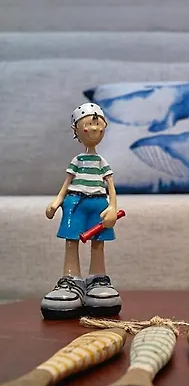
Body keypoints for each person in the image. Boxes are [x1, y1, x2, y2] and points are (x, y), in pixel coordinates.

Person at [41, 103, 121, 319]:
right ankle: (71, 279)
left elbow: (111, 187)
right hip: (75, 202)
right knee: (71, 240)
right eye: (88, 125)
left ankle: (97, 278)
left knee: (98, 241)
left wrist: (112, 208)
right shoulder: (77, 161)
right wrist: (57, 202)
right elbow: (67, 183)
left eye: (99, 125)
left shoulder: (102, 162)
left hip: (98, 204)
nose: (94, 129)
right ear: (76, 130)